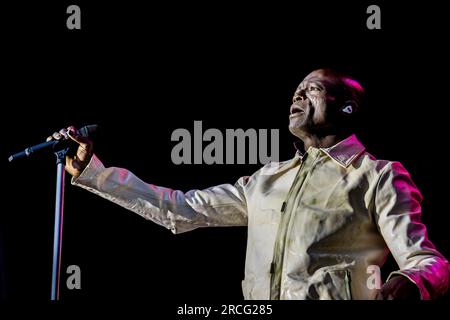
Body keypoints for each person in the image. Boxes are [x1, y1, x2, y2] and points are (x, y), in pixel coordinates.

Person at [48, 69, 449, 300]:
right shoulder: (267, 179)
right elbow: (181, 209)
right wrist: (94, 173)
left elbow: (428, 262)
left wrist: (408, 284)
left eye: (313, 88)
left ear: (347, 107)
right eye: (296, 89)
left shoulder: (376, 175)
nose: (298, 94)